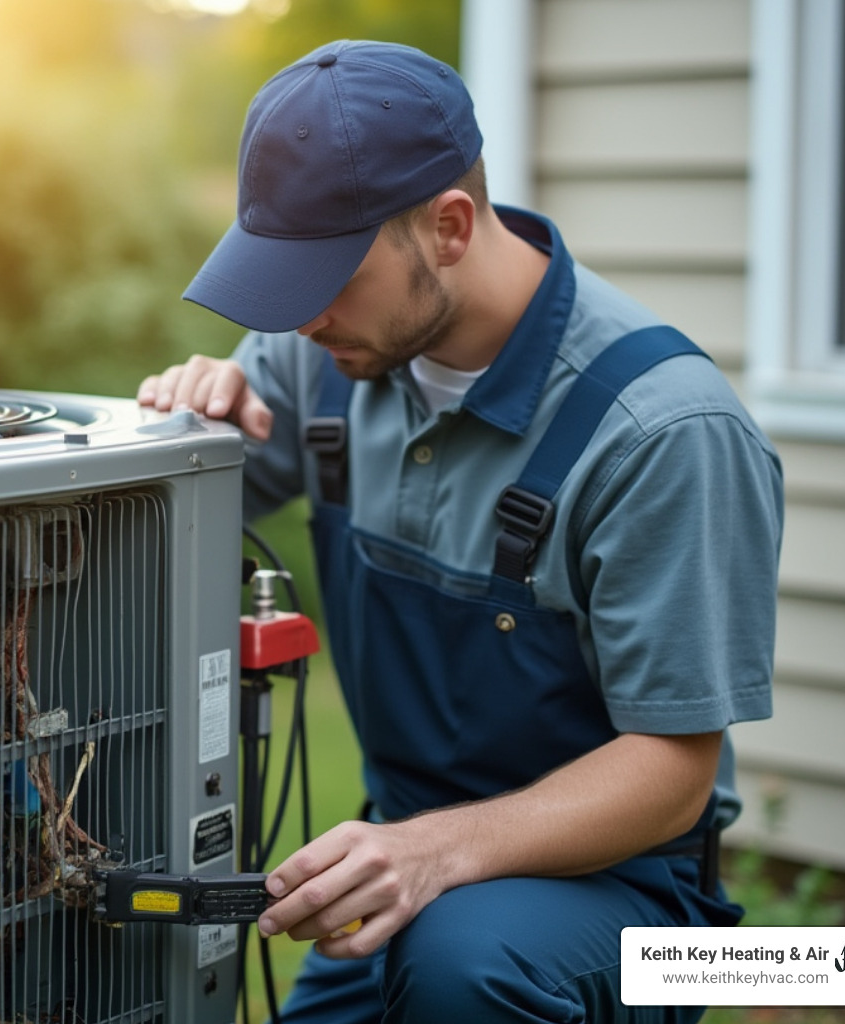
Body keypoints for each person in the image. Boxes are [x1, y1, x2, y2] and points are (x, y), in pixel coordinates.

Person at [138, 40, 783, 1024]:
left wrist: (432, 851)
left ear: (447, 227)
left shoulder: (660, 431)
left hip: (638, 911)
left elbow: (672, 777)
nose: (299, 317)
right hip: (412, 878)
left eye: (326, 277)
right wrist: (179, 433)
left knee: (459, 966)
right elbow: (166, 524)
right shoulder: (318, 356)